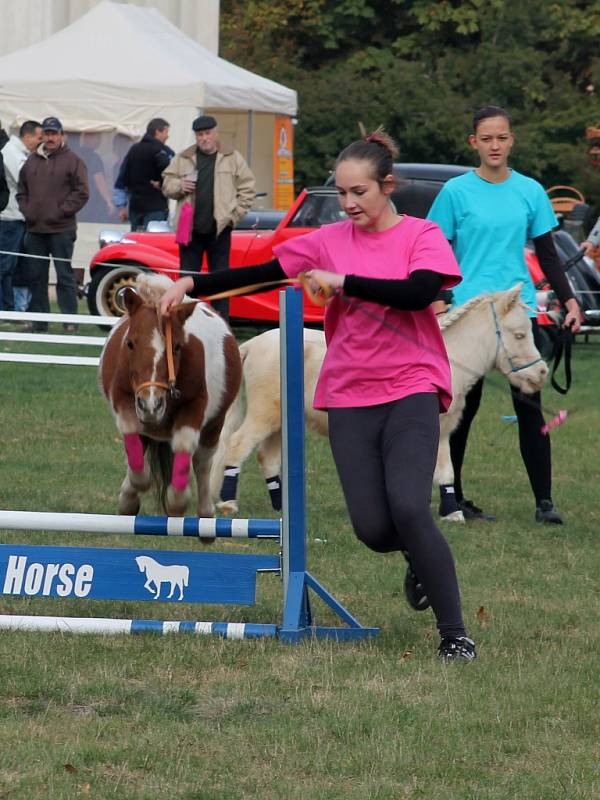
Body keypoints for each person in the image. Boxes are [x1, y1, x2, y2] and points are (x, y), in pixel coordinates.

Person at [159, 127, 476, 662]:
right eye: (343, 193)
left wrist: (345, 282)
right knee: (374, 529)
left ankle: (455, 636)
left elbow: (422, 291)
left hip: (411, 386)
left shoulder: (421, 236)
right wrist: (192, 285)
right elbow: (260, 272)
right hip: (350, 391)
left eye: (361, 193)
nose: (350, 203)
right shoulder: (326, 241)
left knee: (408, 505)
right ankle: (420, 556)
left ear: (388, 185)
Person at [427, 105, 583, 525]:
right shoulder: (456, 192)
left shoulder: (530, 191)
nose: (494, 145)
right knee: (462, 407)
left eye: (501, 137)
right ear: (473, 143)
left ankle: (544, 502)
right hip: (470, 316)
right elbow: (434, 252)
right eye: (486, 138)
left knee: (530, 405)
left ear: (511, 140)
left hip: (516, 314)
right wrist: (440, 296)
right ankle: (453, 497)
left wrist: (569, 300)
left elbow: (548, 254)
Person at [162, 114, 256, 321]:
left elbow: (248, 188)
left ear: (216, 133)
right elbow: (166, 185)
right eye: (200, 135)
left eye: (207, 133)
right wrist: (180, 186)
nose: (204, 138)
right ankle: (186, 323)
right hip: (190, 231)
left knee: (221, 280)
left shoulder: (232, 157)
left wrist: (234, 217)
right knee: (188, 279)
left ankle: (222, 324)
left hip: (220, 229)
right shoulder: (183, 158)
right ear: (196, 137)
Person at [16, 116, 89, 332]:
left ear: (61, 135)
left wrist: (61, 211)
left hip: (62, 229)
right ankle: (40, 323)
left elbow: (82, 192)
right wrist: (28, 211)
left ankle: (70, 322)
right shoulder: (31, 161)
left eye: (54, 133)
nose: (50, 137)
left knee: (64, 275)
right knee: (36, 277)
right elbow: (21, 191)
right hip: (35, 230)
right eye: (47, 133)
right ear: (42, 136)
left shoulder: (73, 161)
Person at [0, 120, 43, 312]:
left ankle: (14, 307)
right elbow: (25, 180)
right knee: (6, 265)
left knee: (16, 266)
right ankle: (5, 307)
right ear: (27, 136)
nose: (40, 141)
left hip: (19, 217)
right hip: (10, 217)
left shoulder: (23, 154)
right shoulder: (10, 152)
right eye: (38, 137)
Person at [115, 118, 174, 231]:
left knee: (138, 244)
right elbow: (174, 175)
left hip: (135, 208)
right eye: (166, 132)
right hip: (156, 208)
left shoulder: (133, 150)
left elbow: (122, 179)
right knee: (154, 244)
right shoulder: (166, 152)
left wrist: (121, 207)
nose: (168, 136)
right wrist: (162, 183)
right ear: (158, 132)